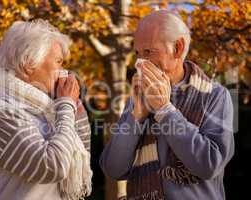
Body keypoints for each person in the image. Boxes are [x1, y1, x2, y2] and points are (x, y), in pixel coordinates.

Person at [100, 10, 234, 200]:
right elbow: (113, 169)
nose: (139, 63)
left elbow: (210, 164)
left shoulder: (216, 95)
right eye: (137, 53)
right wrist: (135, 117)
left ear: (178, 48)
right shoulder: (138, 97)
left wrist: (165, 110)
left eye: (148, 52)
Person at [0, 19, 92, 200]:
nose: (64, 70)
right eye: (58, 62)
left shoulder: (44, 110)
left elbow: (81, 155)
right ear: (28, 63)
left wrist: (76, 109)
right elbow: (53, 166)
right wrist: (66, 105)